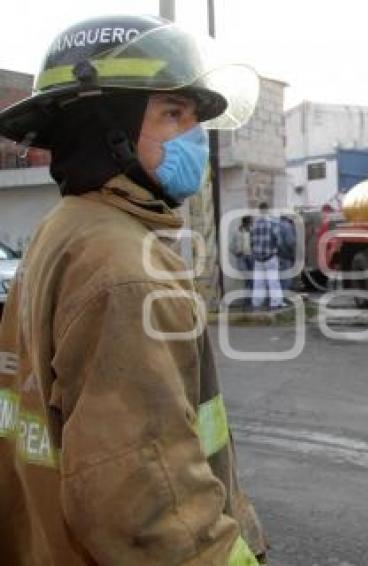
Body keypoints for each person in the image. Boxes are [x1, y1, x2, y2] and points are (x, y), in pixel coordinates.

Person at [0, 15, 266, 564]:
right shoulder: (124, 265)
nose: (193, 134)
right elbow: (145, 503)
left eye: (194, 117)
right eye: (173, 113)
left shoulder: (66, 229)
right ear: (107, 127)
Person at [250, 202, 284, 310]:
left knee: (258, 282)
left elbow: (251, 242)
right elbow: (278, 240)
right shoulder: (272, 222)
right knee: (273, 280)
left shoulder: (254, 224)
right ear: (268, 209)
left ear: (260, 210)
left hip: (258, 258)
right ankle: (275, 302)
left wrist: (255, 251)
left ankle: (257, 303)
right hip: (270, 256)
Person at [230, 215, 255, 304]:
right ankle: (249, 300)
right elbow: (231, 246)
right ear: (245, 223)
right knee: (249, 278)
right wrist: (236, 252)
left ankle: (249, 300)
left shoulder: (253, 232)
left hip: (252, 257)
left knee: (251, 278)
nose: (251, 224)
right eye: (250, 222)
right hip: (242, 258)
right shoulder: (237, 232)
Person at [278, 214, 297, 297]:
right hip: (285, 255)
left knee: (278, 278)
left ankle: (277, 297)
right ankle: (284, 297)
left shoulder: (275, 224)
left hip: (274, 256)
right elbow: (290, 242)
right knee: (287, 278)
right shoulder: (287, 226)